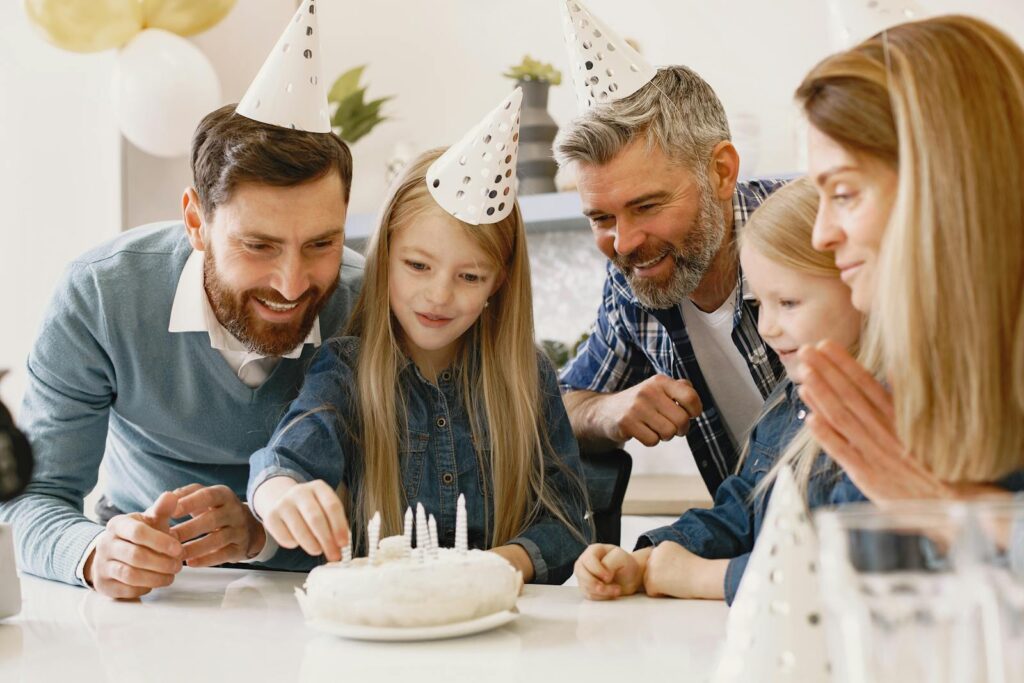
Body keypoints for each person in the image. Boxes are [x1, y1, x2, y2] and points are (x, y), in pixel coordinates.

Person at [0, 2, 364, 598]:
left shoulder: (369, 301)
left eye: (322, 243)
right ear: (196, 221)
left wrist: (260, 532)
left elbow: (405, 505)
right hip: (148, 602)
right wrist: (96, 553)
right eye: (259, 244)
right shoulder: (101, 295)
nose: (294, 283)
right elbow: (32, 498)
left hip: (318, 600)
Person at [247, 134, 591, 585]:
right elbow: (287, 459)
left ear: (498, 283)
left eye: (469, 276)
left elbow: (569, 523)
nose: (439, 296)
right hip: (386, 630)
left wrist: (491, 567)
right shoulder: (346, 371)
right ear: (386, 256)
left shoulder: (527, 376)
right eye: (417, 266)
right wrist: (278, 493)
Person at [573, 179, 864, 602]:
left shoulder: (886, 415)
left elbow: (838, 569)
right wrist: (647, 559)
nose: (767, 328)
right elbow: (737, 513)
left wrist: (695, 577)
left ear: (860, 285)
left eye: (789, 303)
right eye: (760, 304)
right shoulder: (787, 403)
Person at [794, 15, 1024, 502]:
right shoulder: (906, 384)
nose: (821, 235)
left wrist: (938, 504)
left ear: (945, 187)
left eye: (844, 193)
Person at [554, 65, 787, 496]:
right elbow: (559, 407)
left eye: (646, 207)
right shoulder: (634, 280)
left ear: (721, 171)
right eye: (601, 218)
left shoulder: (812, 239)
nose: (623, 244)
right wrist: (607, 411)